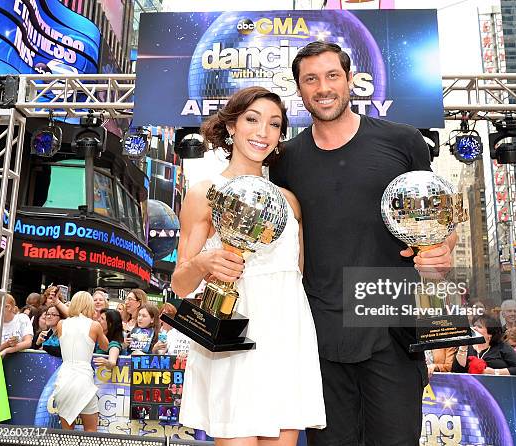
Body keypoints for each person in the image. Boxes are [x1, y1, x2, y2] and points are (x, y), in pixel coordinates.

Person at [268, 41, 454, 444]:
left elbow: (438, 219)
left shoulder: (403, 141)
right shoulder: (284, 160)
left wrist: (442, 249)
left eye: (332, 75)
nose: (323, 87)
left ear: (351, 80)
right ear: (299, 91)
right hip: (318, 334)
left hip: (391, 326)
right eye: (310, 79)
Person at [171, 86, 326, 444]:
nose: (262, 132)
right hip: (233, 334)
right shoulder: (205, 193)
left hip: (287, 336)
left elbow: (296, 275)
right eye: (252, 120)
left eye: (274, 124)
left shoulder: (289, 202)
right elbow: (179, 283)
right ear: (230, 127)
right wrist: (204, 261)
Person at [51, 291, 108, 431]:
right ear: (89, 305)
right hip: (83, 380)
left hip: (63, 379)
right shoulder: (95, 326)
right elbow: (105, 346)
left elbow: (72, 319)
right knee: (90, 431)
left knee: (67, 433)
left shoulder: (61, 324)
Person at [452, 314, 516, 376]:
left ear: (490, 334)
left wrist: (495, 372)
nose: (474, 328)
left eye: (479, 327)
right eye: (474, 325)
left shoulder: (501, 346)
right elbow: (456, 370)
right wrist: (463, 347)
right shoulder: (467, 346)